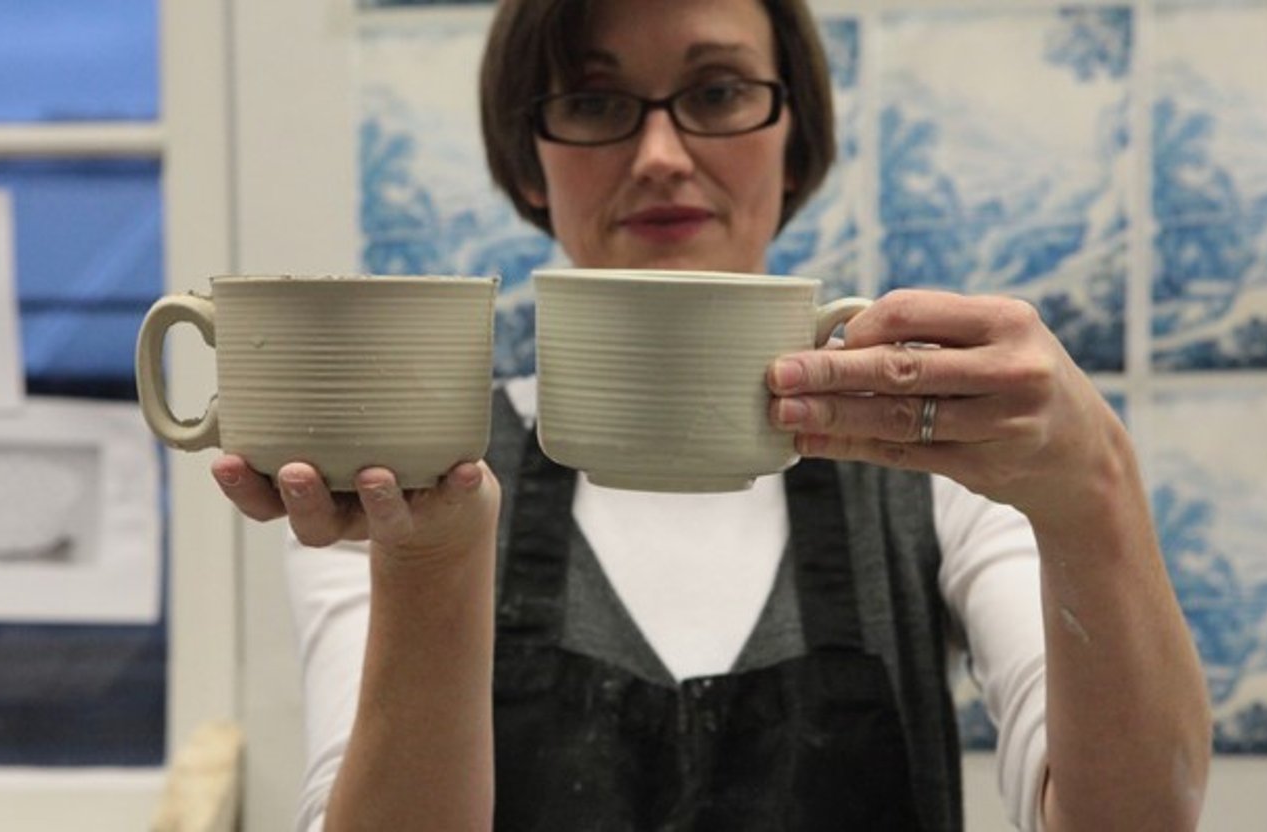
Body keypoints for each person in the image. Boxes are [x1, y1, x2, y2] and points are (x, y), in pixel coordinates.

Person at [211, 0, 1212, 829]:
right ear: (529, 163)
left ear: (794, 140)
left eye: (719, 92)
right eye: (595, 100)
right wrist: (431, 564)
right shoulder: (414, 474)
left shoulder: (942, 468)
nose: (658, 153)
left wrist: (1094, 485)